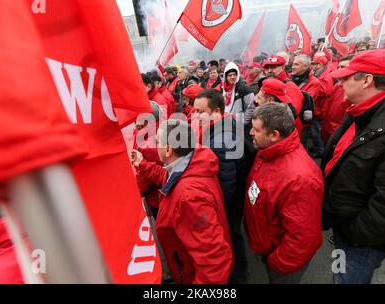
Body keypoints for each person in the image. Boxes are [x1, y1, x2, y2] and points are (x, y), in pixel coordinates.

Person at [322, 49, 385, 284]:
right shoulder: (359, 111)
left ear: (367, 80)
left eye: (347, 76)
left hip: (361, 242)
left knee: (345, 279)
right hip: (344, 228)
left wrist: (352, 233)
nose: (340, 81)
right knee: (339, 272)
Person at [130, 120, 233, 284]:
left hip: (191, 273)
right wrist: (142, 164)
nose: (155, 145)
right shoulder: (192, 163)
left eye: (157, 141)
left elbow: (214, 262)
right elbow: (169, 179)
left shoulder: (189, 197)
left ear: (168, 150)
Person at [244, 103, 323, 284]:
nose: (250, 133)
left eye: (256, 129)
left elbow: (303, 238)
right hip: (265, 244)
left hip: (280, 261)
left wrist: (278, 262)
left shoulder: (299, 179)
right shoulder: (268, 150)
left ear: (274, 135)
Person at [193, 90, 248, 284]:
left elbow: (227, 181)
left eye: (201, 111)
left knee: (231, 235)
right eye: (194, 110)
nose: (195, 115)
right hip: (232, 193)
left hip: (229, 201)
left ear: (216, 111)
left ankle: (237, 275)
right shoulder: (220, 125)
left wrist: (218, 208)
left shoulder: (221, 139)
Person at [292, 54, 324, 158]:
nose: (293, 67)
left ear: (305, 67)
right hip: (291, 118)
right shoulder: (291, 77)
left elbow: (307, 100)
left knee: (300, 146)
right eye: (293, 64)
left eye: (296, 64)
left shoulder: (314, 82)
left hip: (302, 121)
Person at [321, 55, 354, 142]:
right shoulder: (337, 85)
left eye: (343, 67)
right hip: (328, 130)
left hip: (340, 134)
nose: (339, 70)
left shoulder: (357, 90)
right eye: (338, 67)